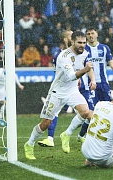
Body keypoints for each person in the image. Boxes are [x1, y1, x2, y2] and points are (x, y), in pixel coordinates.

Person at [24, 31, 96, 159]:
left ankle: (66, 134)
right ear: (72, 42)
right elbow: (71, 76)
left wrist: (85, 75)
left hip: (73, 91)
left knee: (85, 112)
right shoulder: (63, 56)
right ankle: (29, 144)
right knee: (46, 123)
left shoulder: (85, 53)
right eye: (79, 43)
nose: (82, 45)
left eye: (84, 43)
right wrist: (84, 70)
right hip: (57, 93)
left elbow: (77, 70)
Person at [73, 27, 113, 144]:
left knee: (111, 109)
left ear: (97, 34)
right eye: (88, 34)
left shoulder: (104, 48)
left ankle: (82, 135)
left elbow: (111, 62)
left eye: (92, 33)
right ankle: (87, 136)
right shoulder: (83, 49)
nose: (90, 36)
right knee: (92, 112)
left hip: (103, 85)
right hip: (90, 84)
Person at [37, 30, 73, 147]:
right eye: (71, 36)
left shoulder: (80, 52)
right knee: (54, 113)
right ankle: (50, 138)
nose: (74, 37)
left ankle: (82, 136)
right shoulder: (60, 55)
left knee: (86, 112)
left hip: (77, 88)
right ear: (65, 39)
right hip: (63, 88)